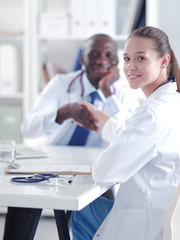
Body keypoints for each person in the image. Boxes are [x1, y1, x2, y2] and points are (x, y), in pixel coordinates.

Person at [3, 33, 139, 240]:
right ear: (82, 58)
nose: (101, 60)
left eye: (108, 55)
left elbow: (126, 141)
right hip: (52, 165)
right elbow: (27, 128)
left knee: (98, 203)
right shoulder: (61, 84)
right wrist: (63, 113)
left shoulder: (123, 95)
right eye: (94, 54)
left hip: (93, 171)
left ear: (115, 62)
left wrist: (106, 93)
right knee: (23, 200)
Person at [70, 26, 180, 240]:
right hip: (165, 217)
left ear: (164, 61)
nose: (130, 67)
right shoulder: (172, 102)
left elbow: (104, 172)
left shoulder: (153, 113)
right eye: (127, 58)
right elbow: (135, 138)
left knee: (81, 212)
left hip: (144, 227)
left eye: (141, 58)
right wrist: (100, 116)